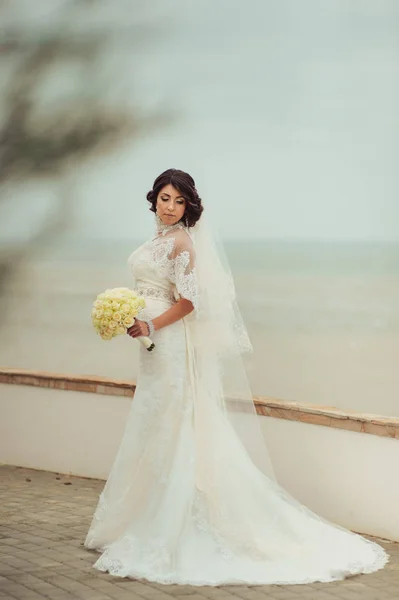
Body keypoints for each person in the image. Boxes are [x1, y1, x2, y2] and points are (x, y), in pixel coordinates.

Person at [84, 168, 388, 586]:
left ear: (189, 206)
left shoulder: (183, 244)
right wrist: (130, 316)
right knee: (155, 421)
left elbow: (189, 302)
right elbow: (158, 291)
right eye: (165, 198)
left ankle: (174, 524)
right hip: (152, 346)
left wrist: (152, 326)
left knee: (175, 421)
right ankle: (142, 515)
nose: (170, 207)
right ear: (153, 198)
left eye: (179, 201)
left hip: (169, 345)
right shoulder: (157, 239)